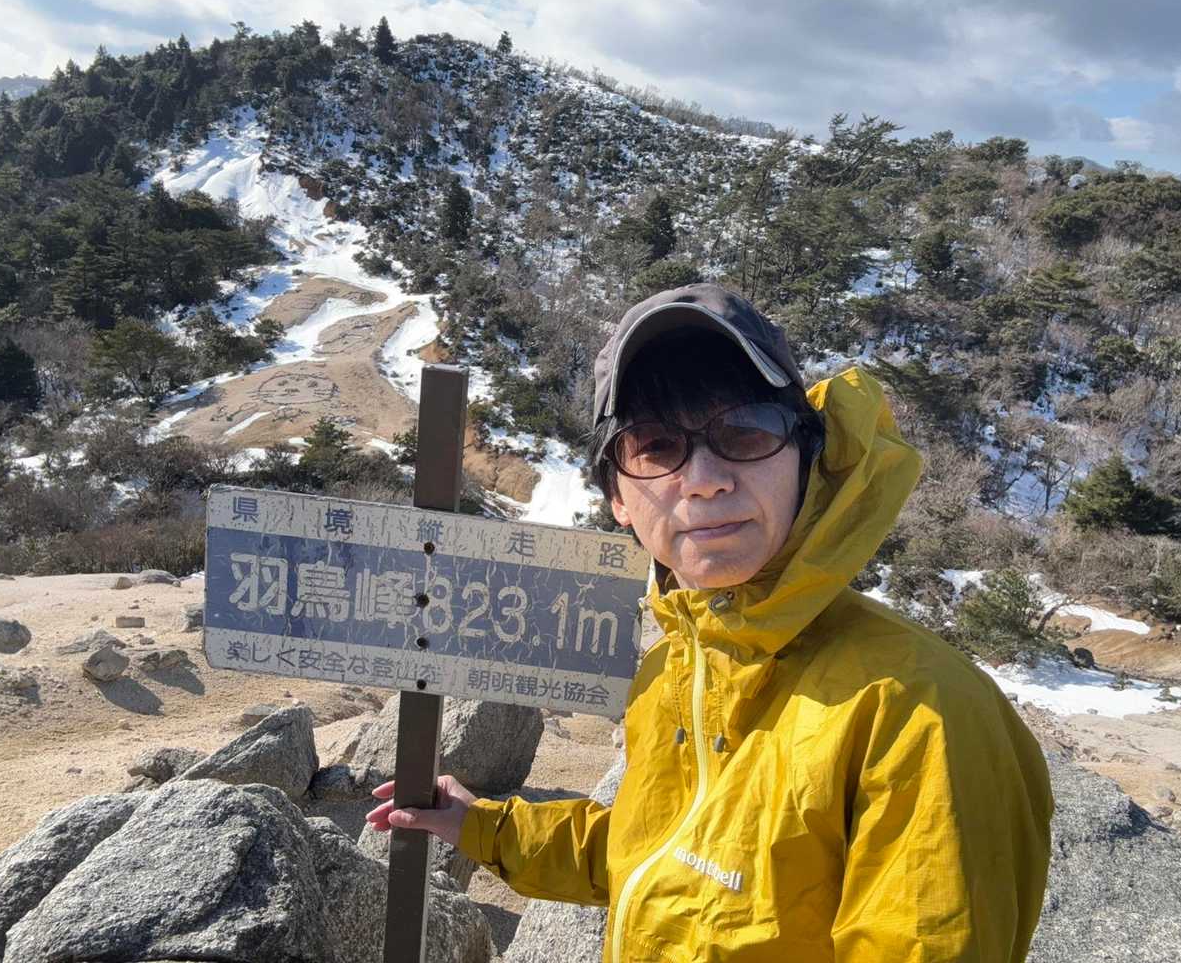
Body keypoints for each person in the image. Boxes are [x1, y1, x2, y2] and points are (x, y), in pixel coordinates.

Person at [368, 284, 1054, 961]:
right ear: (617, 496)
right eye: (655, 445)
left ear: (806, 457)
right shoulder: (677, 665)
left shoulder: (918, 711)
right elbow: (661, 851)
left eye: (745, 430)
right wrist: (482, 828)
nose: (704, 478)